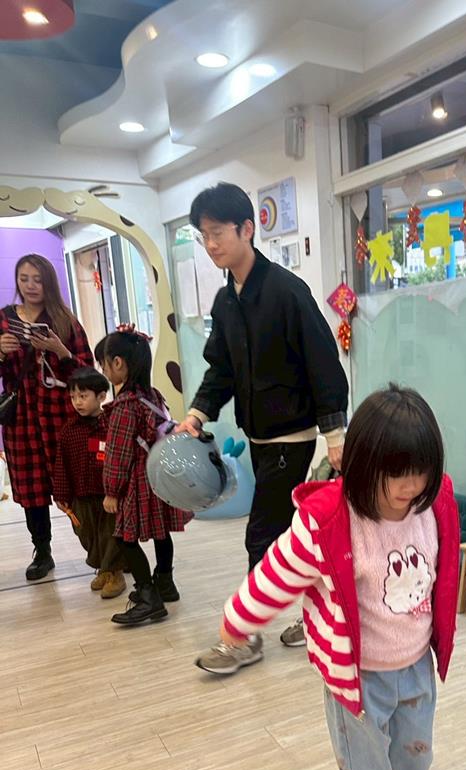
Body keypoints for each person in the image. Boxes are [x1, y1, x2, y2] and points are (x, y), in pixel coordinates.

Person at [218, 385, 459, 770]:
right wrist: (239, 618)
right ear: (365, 464)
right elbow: (278, 572)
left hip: (415, 664)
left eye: (421, 471)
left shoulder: (433, 505)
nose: (411, 485)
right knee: (366, 765)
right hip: (358, 677)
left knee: (414, 755)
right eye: (397, 473)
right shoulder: (330, 520)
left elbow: (444, 568)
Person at [176, 182, 349, 674]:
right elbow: (221, 369)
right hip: (259, 436)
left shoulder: (288, 292)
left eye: (218, 232)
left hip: (291, 438)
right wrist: (198, 414)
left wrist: (335, 436)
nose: (211, 243)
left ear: (247, 229)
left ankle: (244, 637)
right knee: (294, 533)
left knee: (262, 535)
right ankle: (316, 615)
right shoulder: (226, 301)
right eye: (204, 235)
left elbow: (324, 365)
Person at [0, 254, 92, 580]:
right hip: (21, 421)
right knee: (31, 490)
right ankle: (42, 551)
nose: (30, 285)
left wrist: (60, 350)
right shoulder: (4, 321)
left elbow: (88, 373)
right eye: (24, 278)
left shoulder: (65, 321)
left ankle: (99, 551)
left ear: (49, 282)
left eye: (38, 279)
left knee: (77, 485)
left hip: (60, 417)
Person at [101, 325, 191, 627]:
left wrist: (111, 490)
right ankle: (165, 582)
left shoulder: (124, 407)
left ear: (118, 363)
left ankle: (148, 597)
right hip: (160, 478)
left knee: (124, 538)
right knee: (161, 532)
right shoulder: (152, 396)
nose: (104, 369)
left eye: (104, 363)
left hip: (137, 483)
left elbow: (117, 454)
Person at [52, 366, 126, 599]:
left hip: (109, 494)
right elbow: (61, 464)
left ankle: (115, 573)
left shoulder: (111, 425)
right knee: (87, 533)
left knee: (110, 533)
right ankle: (104, 568)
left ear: (101, 396)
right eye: (73, 397)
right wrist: (61, 495)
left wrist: (118, 490)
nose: (77, 402)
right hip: (81, 495)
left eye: (83, 396)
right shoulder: (68, 430)